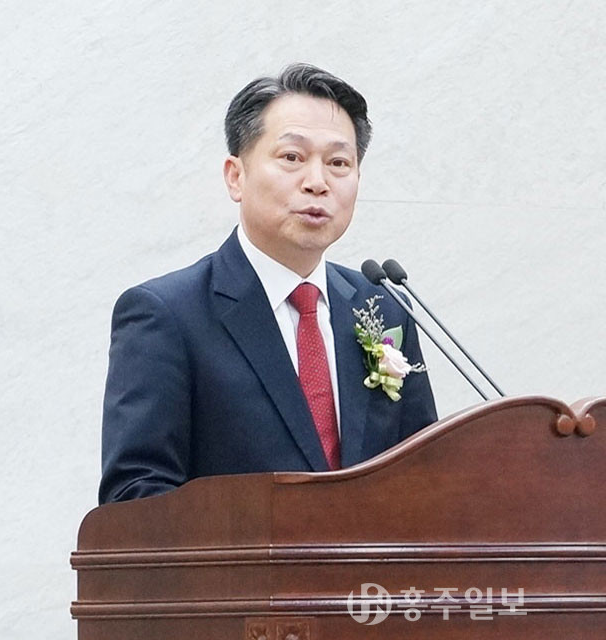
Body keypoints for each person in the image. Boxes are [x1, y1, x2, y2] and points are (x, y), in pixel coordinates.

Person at [99, 63, 438, 504]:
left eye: (338, 163)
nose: (317, 183)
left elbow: (426, 477)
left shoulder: (383, 307)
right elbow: (134, 497)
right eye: (292, 158)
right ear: (235, 176)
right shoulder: (166, 315)